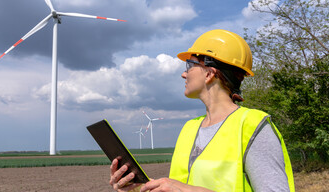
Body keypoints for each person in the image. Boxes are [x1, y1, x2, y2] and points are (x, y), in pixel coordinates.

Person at [109, 29, 295, 192]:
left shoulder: (251, 126)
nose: (184, 73)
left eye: (190, 65)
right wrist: (138, 188)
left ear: (209, 73)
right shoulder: (189, 129)